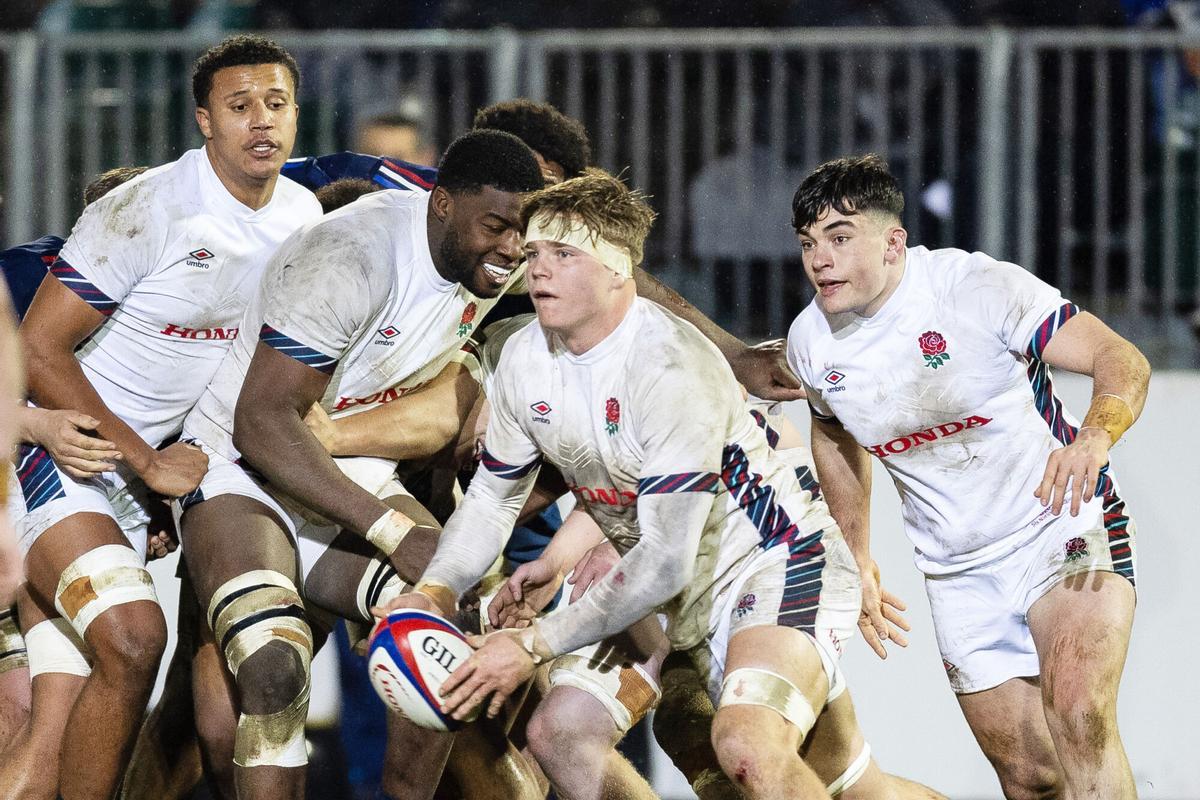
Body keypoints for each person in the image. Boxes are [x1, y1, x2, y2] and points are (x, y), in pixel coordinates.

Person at [392, 169, 942, 800]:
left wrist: (533, 644)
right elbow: (492, 500)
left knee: (748, 745)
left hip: (775, 565)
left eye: (563, 254)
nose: (536, 269)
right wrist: (436, 587)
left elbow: (664, 561)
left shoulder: (670, 366)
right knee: (561, 737)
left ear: (618, 268)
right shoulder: (524, 357)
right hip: (672, 588)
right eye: (535, 252)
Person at [176, 128, 545, 800]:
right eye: (496, 226)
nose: (513, 249)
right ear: (441, 206)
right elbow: (260, 424)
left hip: (342, 466)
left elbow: (616, 266)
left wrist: (727, 352)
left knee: (451, 614)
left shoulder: (496, 255)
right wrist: (396, 531)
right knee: (272, 667)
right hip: (240, 467)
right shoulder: (354, 256)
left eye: (524, 230)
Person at [7, 33, 320, 800]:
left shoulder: (303, 214)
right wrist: (144, 464)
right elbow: (40, 352)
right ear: (203, 121)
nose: (261, 122)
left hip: (161, 485)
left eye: (276, 104)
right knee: (135, 639)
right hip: (69, 461)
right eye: (239, 106)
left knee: (55, 728)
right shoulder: (148, 208)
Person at [786, 154, 1149, 799]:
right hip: (956, 569)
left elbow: (1119, 357)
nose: (820, 259)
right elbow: (834, 432)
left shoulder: (974, 288)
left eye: (841, 238)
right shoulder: (811, 341)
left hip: (1058, 524)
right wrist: (858, 553)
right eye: (809, 243)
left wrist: (1095, 437)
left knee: (1079, 713)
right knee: (1030, 777)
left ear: (894, 242)